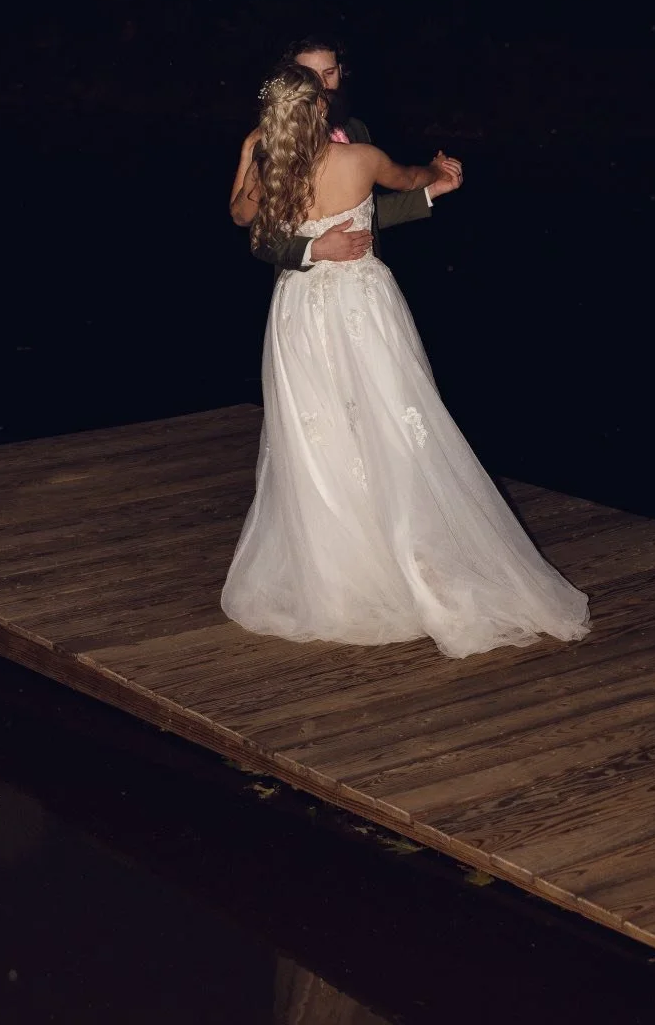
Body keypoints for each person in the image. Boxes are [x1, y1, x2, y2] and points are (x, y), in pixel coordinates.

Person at [223, 66, 591, 659]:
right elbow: (401, 179)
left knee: (371, 421)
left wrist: (251, 158)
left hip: (302, 310)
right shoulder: (356, 157)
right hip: (355, 302)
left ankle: (377, 553)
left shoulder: (278, 166)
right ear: (318, 108)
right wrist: (436, 175)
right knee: (334, 427)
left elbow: (247, 218)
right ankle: (357, 561)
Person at [246, 34, 462, 271]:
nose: (321, 86)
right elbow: (258, 233)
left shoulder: (356, 130)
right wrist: (313, 250)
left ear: (341, 71)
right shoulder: (273, 143)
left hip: (360, 279)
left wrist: (432, 190)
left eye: (329, 73)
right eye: (309, 76)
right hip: (301, 283)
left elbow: (367, 213)